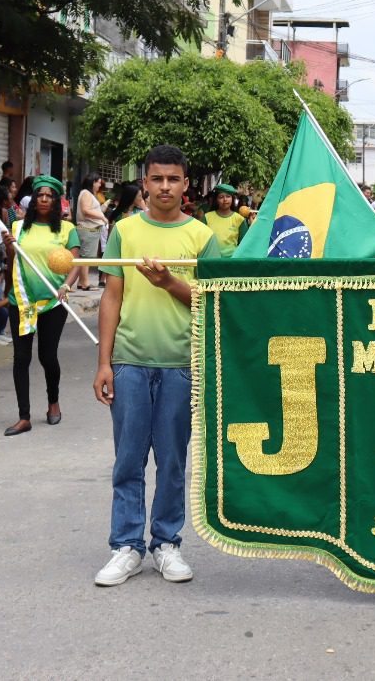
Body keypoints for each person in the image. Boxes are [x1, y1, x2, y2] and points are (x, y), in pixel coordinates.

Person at [92, 145, 220, 587]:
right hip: (128, 362)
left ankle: (167, 543)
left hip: (182, 365)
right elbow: (111, 296)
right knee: (128, 459)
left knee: (172, 460)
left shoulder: (202, 237)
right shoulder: (125, 231)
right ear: (144, 183)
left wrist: (169, 282)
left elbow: (212, 301)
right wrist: (104, 362)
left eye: (173, 179)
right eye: (157, 178)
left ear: (186, 185)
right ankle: (126, 546)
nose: (165, 187)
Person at [1, 175, 79, 436]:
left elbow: (76, 264)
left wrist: (66, 286)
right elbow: (13, 262)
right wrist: (8, 247)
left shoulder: (66, 229)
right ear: (34, 199)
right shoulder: (18, 227)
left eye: (50, 196)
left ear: (57, 201)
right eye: (40, 195)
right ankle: (24, 417)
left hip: (53, 302)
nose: (44, 199)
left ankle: (53, 402)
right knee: (21, 358)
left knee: (48, 356)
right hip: (22, 301)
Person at [72, 174, 107, 291]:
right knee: (86, 258)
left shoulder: (88, 194)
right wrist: (102, 217)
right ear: (93, 182)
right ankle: (85, 283)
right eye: (98, 182)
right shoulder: (86, 193)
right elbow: (86, 210)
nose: (99, 185)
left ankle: (81, 282)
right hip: (88, 229)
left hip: (90, 229)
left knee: (85, 256)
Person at [203, 183, 248, 257]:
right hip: (211, 260)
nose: (225, 199)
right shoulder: (207, 217)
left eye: (228, 196)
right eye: (221, 197)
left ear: (232, 199)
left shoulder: (239, 219)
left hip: (232, 261)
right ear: (216, 200)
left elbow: (244, 244)